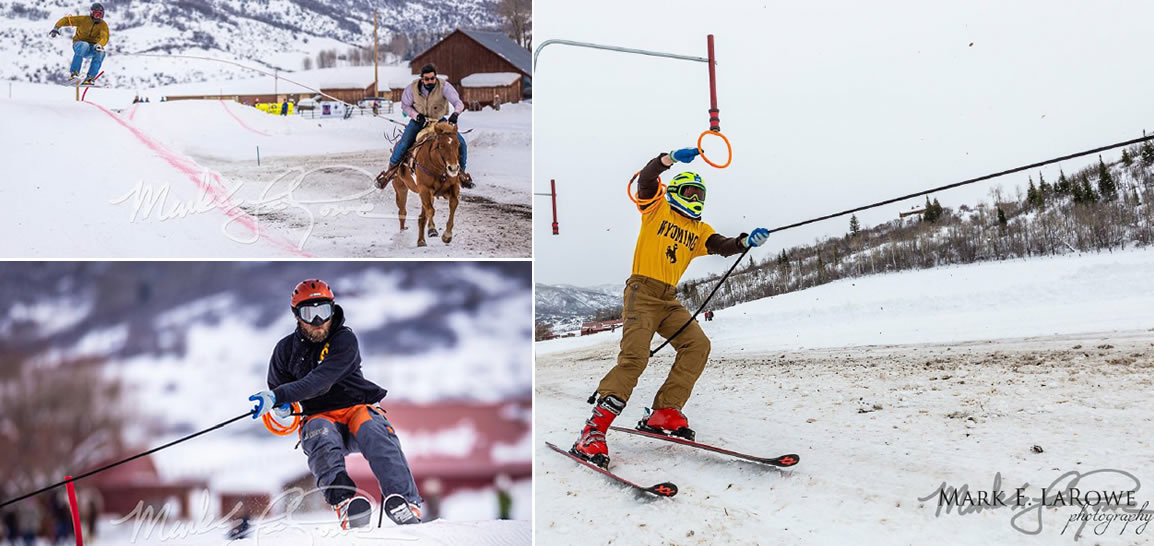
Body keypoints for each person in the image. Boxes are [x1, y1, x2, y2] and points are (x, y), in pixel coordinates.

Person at [569, 147, 770, 468]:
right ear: (676, 191)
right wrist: (671, 158)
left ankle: (665, 411)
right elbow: (648, 178)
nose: (697, 199)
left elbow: (722, 245)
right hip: (641, 292)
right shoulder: (656, 208)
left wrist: (746, 241)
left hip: (668, 298)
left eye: (701, 194)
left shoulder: (699, 229)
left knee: (697, 344)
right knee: (634, 359)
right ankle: (592, 431)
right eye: (691, 192)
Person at [248, 279, 422, 529]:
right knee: (320, 433)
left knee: (374, 429)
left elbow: (320, 381)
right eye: (310, 313)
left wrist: (279, 396)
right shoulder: (285, 351)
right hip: (320, 417)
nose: (319, 321)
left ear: (333, 310)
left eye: (324, 312)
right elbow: (279, 391)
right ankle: (344, 503)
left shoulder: (344, 341)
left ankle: (405, 501)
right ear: (297, 315)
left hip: (356, 410)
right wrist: (281, 406)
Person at [380, 64, 473, 188]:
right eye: (427, 79)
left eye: (432, 78)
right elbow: (405, 106)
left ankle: (460, 173)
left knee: (461, 143)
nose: (430, 81)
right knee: (404, 143)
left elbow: (458, 102)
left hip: (439, 121)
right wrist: (416, 116)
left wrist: (455, 114)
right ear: (422, 79)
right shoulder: (411, 89)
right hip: (419, 121)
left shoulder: (444, 86)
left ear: (435, 77)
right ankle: (390, 172)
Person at [49, 3, 109, 85]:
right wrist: (56, 28)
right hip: (79, 45)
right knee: (84, 45)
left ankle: (90, 79)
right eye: (96, 14)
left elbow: (104, 36)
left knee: (101, 53)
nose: (98, 16)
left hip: (92, 47)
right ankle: (74, 73)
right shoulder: (83, 20)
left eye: (100, 14)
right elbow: (66, 20)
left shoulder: (103, 25)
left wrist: (100, 44)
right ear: (91, 13)